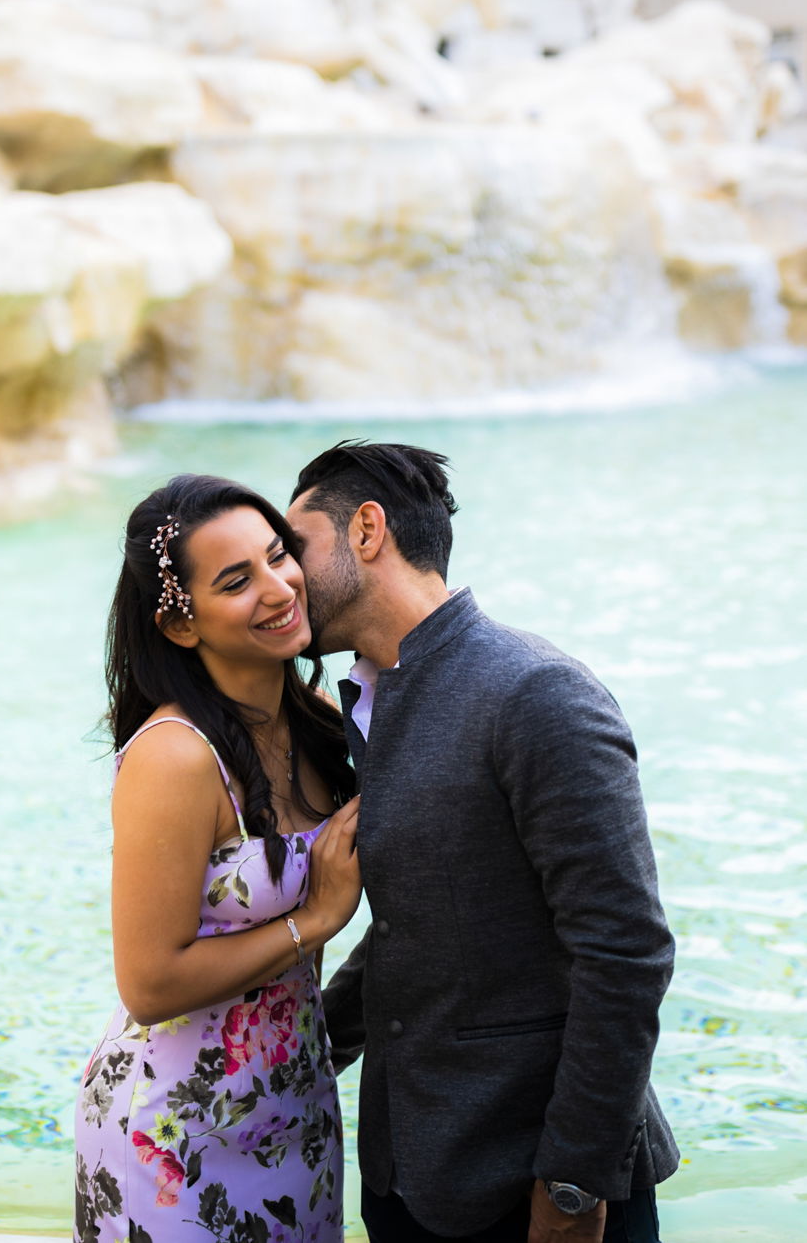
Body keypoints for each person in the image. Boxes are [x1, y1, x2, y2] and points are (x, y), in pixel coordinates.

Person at [286, 442, 679, 1243]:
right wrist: (300, 1052)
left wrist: (572, 1186)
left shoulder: (535, 692)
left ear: (367, 530)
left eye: (295, 550)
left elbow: (625, 951)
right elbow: (425, 924)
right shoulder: (367, 701)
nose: (281, 580)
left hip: (535, 1188)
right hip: (409, 1176)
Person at [74, 473, 361, 1243]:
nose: (279, 589)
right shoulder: (176, 757)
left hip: (295, 1102)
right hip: (168, 1134)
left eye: (278, 557)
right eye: (237, 581)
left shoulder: (322, 726)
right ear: (178, 624)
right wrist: (319, 917)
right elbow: (148, 983)